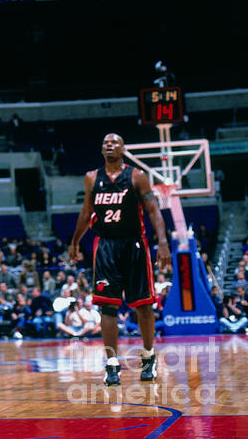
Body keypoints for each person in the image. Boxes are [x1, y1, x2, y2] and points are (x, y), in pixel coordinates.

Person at [68, 133, 171, 386]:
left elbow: (154, 211)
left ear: (123, 149)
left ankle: (148, 357)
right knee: (107, 306)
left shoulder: (137, 176)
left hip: (134, 244)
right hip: (105, 246)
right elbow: (85, 212)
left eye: (114, 142)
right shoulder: (92, 178)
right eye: (105, 143)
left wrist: (164, 243)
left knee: (143, 305)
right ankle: (112, 364)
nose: (109, 145)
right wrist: (74, 242)